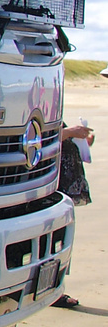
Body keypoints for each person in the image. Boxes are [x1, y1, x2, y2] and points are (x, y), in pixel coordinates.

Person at [53, 121, 93, 309]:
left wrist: (80, 138)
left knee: (62, 239)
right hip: (52, 187)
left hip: (60, 186)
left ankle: (56, 289)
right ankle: (54, 291)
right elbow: (44, 140)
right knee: (56, 241)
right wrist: (70, 133)